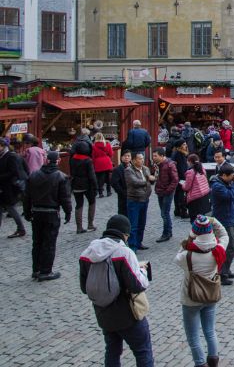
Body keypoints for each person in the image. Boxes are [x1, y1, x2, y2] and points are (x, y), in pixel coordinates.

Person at [79, 215, 153, 367]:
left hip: (103, 314)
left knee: (112, 351)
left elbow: (84, 287)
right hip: (127, 314)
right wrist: (142, 271)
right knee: (142, 350)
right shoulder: (123, 253)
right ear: (125, 234)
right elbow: (137, 285)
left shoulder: (87, 253)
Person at [175, 215, 228, 367]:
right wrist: (213, 221)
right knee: (210, 332)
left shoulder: (187, 255)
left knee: (193, 337)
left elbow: (177, 257)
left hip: (191, 299)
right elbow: (224, 234)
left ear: (195, 233)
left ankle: (200, 363)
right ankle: (213, 362)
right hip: (210, 297)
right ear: (210, 231)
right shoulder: (218, 249)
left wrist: (190, 238)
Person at [22, 150, 72, 281]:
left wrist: (27, 212)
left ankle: (36, 269)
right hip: (51, 213)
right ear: (58, 161)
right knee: (49, 243)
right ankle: (46, 271)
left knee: (37, 242)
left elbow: (26, 196)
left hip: (37, 212)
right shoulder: (61, 177)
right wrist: (68, 212)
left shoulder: (34, 176)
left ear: (46, 160)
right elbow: (65, 198)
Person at [210, 164, 234, 285]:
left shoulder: (227, 182)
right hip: (224, 220)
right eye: (231, 176)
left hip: (231, 217)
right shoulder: (217, 186)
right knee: (228, 248)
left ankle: (226, 270)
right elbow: (230, 196)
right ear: (224, 175)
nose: (233, 177)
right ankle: (222, 274)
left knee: (231, 248)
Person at [125, 153, 155, 251]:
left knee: (142, 223)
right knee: (133, 224)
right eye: (139, 159)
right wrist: (147, 180)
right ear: (133, 160)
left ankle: (139, 242)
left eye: (142, 158)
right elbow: (134, 182)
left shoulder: (146, 169)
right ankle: (132, 246)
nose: (142, 160)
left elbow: (151, 181)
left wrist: (152, 179)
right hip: (134, 200)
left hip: (145, 199)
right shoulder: (129, 170)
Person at [0, 137, 27, 238]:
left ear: (3, 146)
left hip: (9, 187)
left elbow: (14, 172)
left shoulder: (10, 156)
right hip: (2, 186)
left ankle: (21, 229)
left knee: (10, 208)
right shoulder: (2, 156)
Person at [70, 137, 98, 234]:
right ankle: (90, 224)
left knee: (79, 204)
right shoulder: (88, 160)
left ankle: (79, 227)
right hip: (87, 184)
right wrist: (95, 186)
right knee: (92, 202)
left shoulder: (73, 159)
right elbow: (92, 175)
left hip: (76, 183)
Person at [152, 147, 179, 243]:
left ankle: (166, 233)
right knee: (164, 213)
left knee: (164, 213)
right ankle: (169, 231)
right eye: (153, 156)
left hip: (166, 192)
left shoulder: (169, 165)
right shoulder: (158, 165)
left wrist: (168, 191)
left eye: (155, 156)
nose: (153, 158)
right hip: (160, 191)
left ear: (162, 156)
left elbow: (175, 180)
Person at [183, 153, 211, 218]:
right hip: (204, 196)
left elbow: (187, 187)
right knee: (202, 218)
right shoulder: (202, 169)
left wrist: (183, 185)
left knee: (194, 219)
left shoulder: (190, 172)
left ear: (190, 162)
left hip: (195, 198)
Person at [172, 140, 191, 219]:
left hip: (177, 177)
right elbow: (182, 168)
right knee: (181, 195)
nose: (186, 145)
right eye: (183, 144)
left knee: (177, 194)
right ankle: (183, 212)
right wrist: (185, 177)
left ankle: (177, 211)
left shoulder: (176, 153)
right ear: (179, 146)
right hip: (181, 177)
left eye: (185, 143)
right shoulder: (179, 154)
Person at [111, 150, 131, 217]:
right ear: (121, 157)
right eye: (125, 156)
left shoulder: (133, 167)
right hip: (123, 195)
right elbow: (114, 183)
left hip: (133, 194)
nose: (127, 157)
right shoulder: (118, 169)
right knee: (123, 212)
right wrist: (122, 192)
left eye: (128, 156)